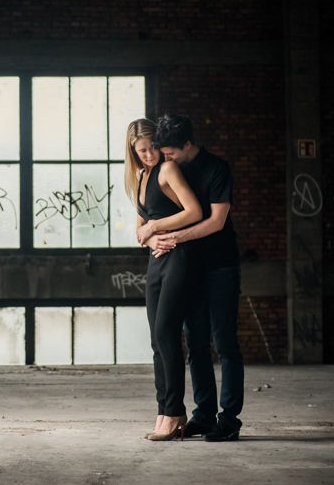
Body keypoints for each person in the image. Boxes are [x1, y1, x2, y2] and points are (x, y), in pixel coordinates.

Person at [146, 114, 244, 442]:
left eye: (171, 152)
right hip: (188, 269)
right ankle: (203, 414)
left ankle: (228, 419)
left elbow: (216, 221)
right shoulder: (171, 169)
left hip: (220, 266)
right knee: (196, 344)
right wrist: (150, 235)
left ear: (188, 144)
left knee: (225, 342)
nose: (166, 157)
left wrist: (174, 237)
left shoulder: (216, 168)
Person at [124, 118, 202, 441]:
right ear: (133, 151)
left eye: (152, 147)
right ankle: (164, 411)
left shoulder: (168, 171)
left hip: (178, 258)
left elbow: (194, 211)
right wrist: (148, 236)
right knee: (157, 340)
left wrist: (156, 229)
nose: (149, 155)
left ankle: (174, 412)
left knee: (167, 334)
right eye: (142, 151)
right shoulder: (140, 177)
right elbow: (139, 228)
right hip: (155, 261)